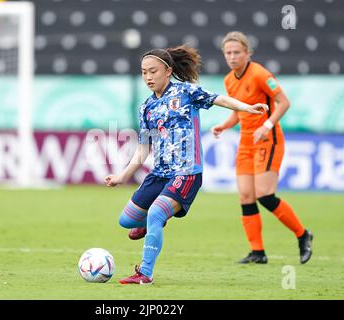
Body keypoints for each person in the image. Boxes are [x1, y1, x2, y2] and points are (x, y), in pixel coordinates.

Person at [105, 45, 268, 285]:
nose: (148, 77)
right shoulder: (146, 107)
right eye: (144, 72)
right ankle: (154, 223)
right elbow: (144, 147)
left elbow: (218, 99)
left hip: (187, 172)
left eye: (153, 71)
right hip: (159, 174)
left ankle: (145, 274)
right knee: (127, 221)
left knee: (155, 213)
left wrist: (246, 107)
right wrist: (123, 175)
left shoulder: (186, 92)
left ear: (168, 71)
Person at [211, 31, 313, 264]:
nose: (233, 57)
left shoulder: (259, 74)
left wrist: (267, 125)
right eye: (228, 53)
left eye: (237, 52)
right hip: (246, 141)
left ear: (248, 53)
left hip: (268, 139)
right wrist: (225, 126)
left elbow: (283, 102)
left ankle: (302, 234)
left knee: (265, 195)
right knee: (246, 195)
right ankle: (257, 252)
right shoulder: (229, 80)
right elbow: (240, 111)